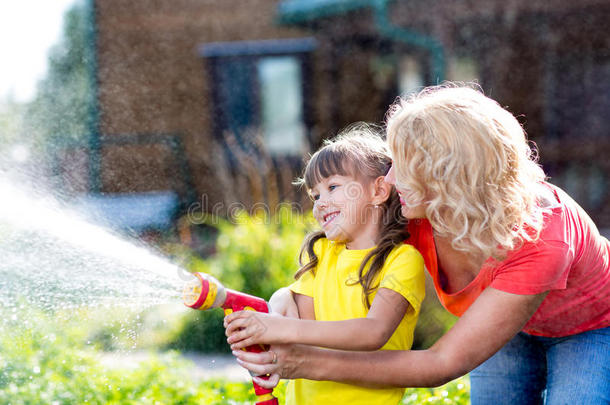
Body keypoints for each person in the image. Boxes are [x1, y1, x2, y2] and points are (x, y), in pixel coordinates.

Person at [226, 84, 610, 404]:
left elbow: (440, 363)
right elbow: (326, 267)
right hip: (503, 326)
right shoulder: (415, 210)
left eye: (402, 163)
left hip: (589, 327)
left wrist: (302, 363)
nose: (389, 178)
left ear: (447, 173)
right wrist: (281, 309)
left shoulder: (543, 236)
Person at [225, 126, 426, 404]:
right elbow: (304, 334)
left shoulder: (403, 260)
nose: (320, 203)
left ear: (379, 190)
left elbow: (374, 332)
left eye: (332, 187)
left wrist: (276, 327)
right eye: (315, 195)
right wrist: (280, 305)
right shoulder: (322, 252)